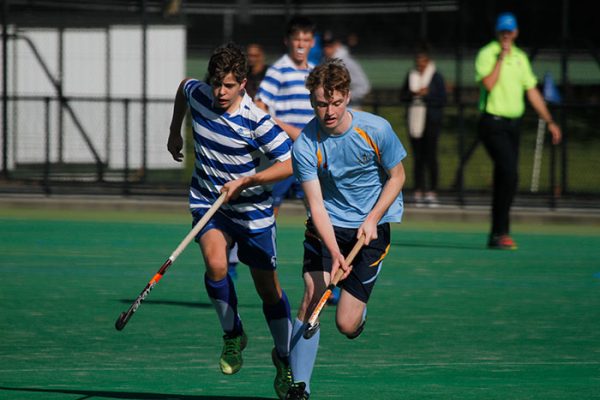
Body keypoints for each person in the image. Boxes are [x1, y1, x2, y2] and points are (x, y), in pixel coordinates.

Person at [166, 43, 293, 400]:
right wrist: (175, 130)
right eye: (217, 83)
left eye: (228, 85)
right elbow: (182, 87)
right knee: (216, 264)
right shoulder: (201, 94)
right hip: (209, 202)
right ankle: (232, 334)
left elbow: (291, 162)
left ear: (243, 85)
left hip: (252, 212)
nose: (220, 92)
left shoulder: (257, 121)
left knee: (268, 290)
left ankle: (283, 357)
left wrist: (248, 181)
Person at [285, 59, 407, 399]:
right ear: (312, 100)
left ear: (347, 97)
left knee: (346, 324)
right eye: (322, 103)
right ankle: (301, 386)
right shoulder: (305, 146)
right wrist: (336, 252)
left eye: (336, 102)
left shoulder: (376, 130)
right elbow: (317, 206)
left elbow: (397, 177)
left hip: (372, 228)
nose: (329, 111)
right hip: (328, 227)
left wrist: (372, 218)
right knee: (313, 295)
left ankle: (358, 314)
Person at [475, 12, 561, 250]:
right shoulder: (487, 54)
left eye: (510, 31)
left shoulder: (521, 58)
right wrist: (500, 58)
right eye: (503, 31)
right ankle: (501, 232)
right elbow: (489, 84)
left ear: (516, 33)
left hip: (513, 125)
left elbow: (532, 91)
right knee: (509, 172)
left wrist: (550, 120)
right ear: (497, 32)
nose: (506, 35)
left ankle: (497, 234)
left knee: (508, 178)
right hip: (492, 123)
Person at [255, 15, 316, 216]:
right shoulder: (278, 70)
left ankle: (321, 247)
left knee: (316, 207)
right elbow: (259, 106)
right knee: (270, 209)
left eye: (306, 40)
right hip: (283, 153)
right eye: (297, 39)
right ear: (287, 41)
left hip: (308, 153)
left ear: (312, 42)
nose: (301, 44)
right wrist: (289, 133)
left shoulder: (315, 73)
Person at [401, 43, 446, 207]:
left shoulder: (436, 76)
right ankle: (418, 190)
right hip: (414, 120)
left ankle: (432, 191)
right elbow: (402, 95)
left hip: (431, 121)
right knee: (418, 158)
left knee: (431, 156)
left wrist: (428, 94)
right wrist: (412, 94)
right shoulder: (411, 75)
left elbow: (442, 98)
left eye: (423, 61)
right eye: (417, 61)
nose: (420, 65)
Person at [322, 31, 371, 109]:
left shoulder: (348, 62)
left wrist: (343, 97)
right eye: (324, 46)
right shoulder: (324, 61)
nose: (326, 49)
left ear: (337, 45)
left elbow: (364, 86)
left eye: (330, 46)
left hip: (350, 109)